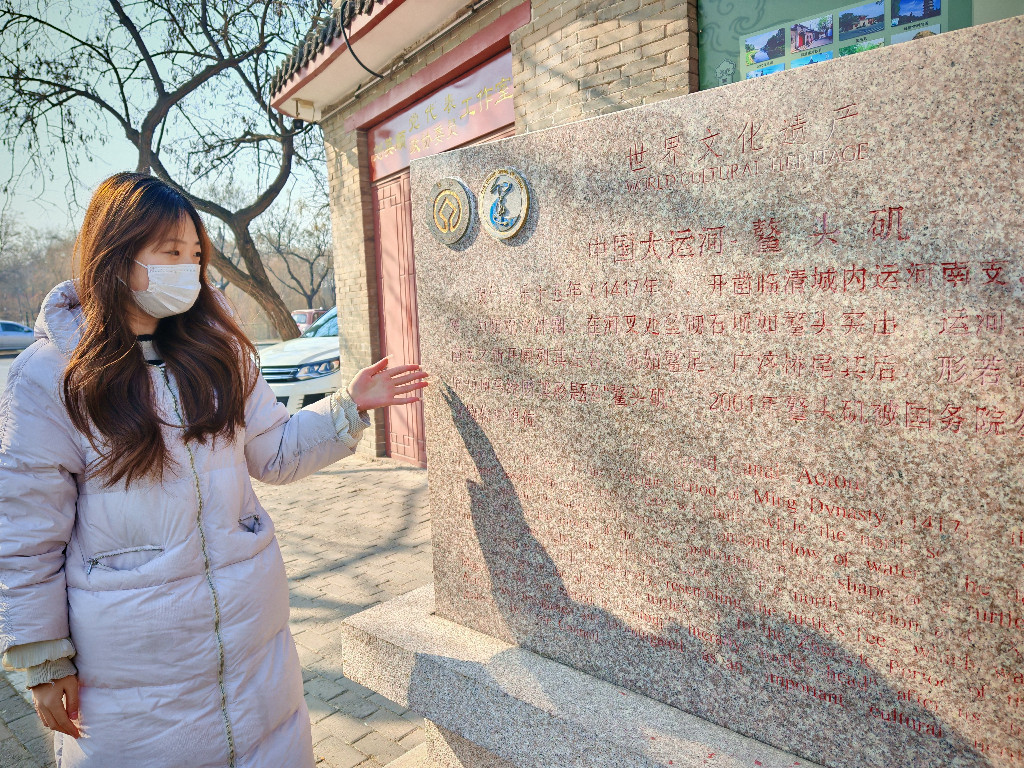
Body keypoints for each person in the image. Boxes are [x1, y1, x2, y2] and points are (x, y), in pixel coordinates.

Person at [0, 172, 429, 767]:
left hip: (254, 646)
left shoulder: (217, 353)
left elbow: (273, 452)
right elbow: (25, 538)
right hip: (133, 674)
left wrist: (348, 408)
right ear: (117, 257)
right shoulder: (51, 377)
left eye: (196, 254)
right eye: (170, 252)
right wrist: (43, 662)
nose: (188, 268)